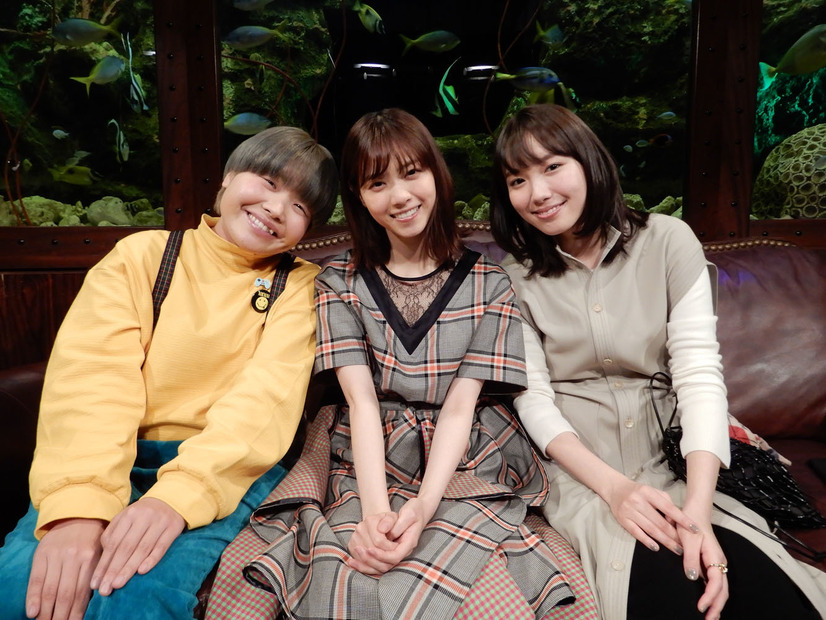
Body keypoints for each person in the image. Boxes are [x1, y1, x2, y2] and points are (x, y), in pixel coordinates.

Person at [205, 107, 582, 620]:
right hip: (363, 455)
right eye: (377, 183)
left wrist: (423, 507)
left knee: (478, 584)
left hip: (466, 454)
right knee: (348, 569)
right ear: (359, 196)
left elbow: (459, 408)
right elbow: (360, 403)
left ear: (436, 174)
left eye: (411, 173)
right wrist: (376, 512)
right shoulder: (338, 282)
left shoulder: (489, 282)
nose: (400, 196)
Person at [489, 103, 826, 620]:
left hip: (674, 456)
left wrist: (697, 512)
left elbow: (699, 376)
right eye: (518, 180)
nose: (537, 193)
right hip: (586, 470)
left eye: (552, 166)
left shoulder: (668, 240)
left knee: (764, 594)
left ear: (589, 161)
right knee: (665, 594)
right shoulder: (513, 278)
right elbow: (534, 400)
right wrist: (616, 491)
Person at [0, 126, 338, 620]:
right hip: (113, 454)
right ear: (227, 178)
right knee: (21, 589)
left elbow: (263, 404)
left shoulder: (301, 287)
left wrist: (179, 498)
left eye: (300, 206)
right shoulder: (143, 256)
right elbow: (91, 380)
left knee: (135, 598)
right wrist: (80, 508)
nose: (276, 208)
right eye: (268, 182)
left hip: (224, 470)